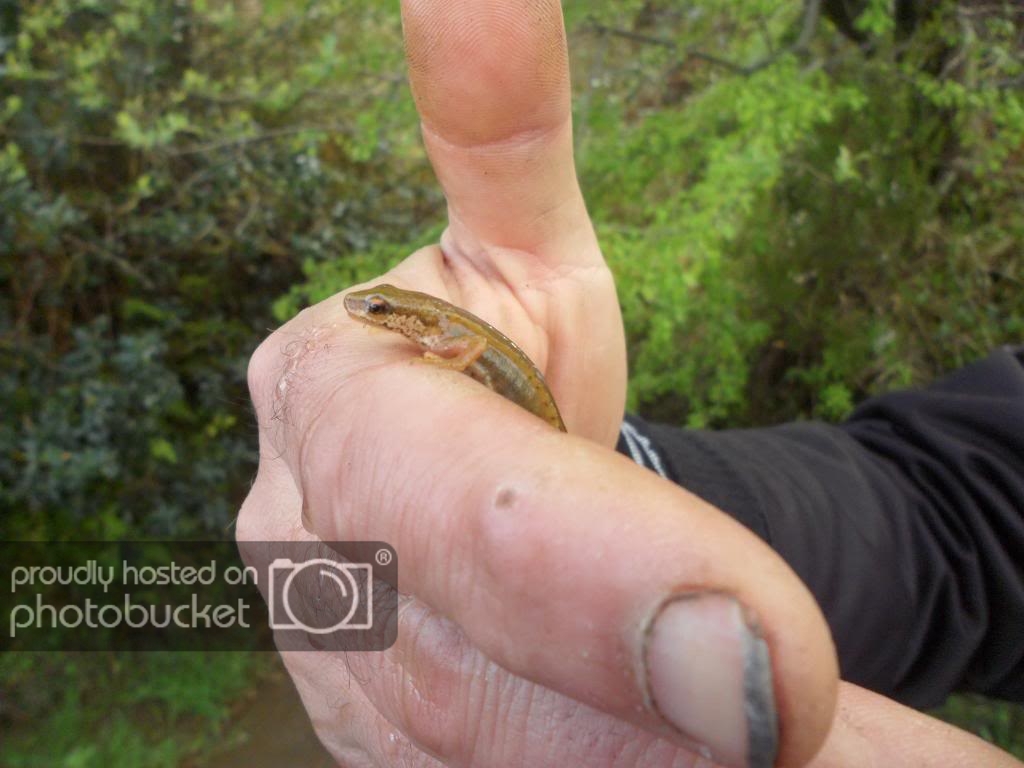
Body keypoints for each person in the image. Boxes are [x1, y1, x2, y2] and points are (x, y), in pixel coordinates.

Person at [236, 1, 1023, 766]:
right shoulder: (430, 329)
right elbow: (955, 511)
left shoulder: (439, 335)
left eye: (381, 310)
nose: (371, 315)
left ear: (406, 319)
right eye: (378, 309)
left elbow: (463, 352)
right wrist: (623, 481)